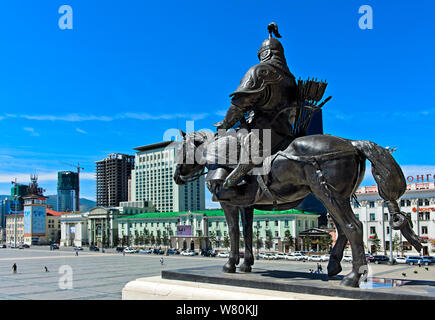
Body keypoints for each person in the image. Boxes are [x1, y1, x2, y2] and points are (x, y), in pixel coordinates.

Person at [210, 23, 298, 193]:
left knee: (221, 146)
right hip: (286, 133)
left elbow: (239, 103)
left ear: (264, 53)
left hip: (260, 132)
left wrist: (225, 124)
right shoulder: (291, 79)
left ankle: (231, 184)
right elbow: (293, 113)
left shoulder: (259, 71)